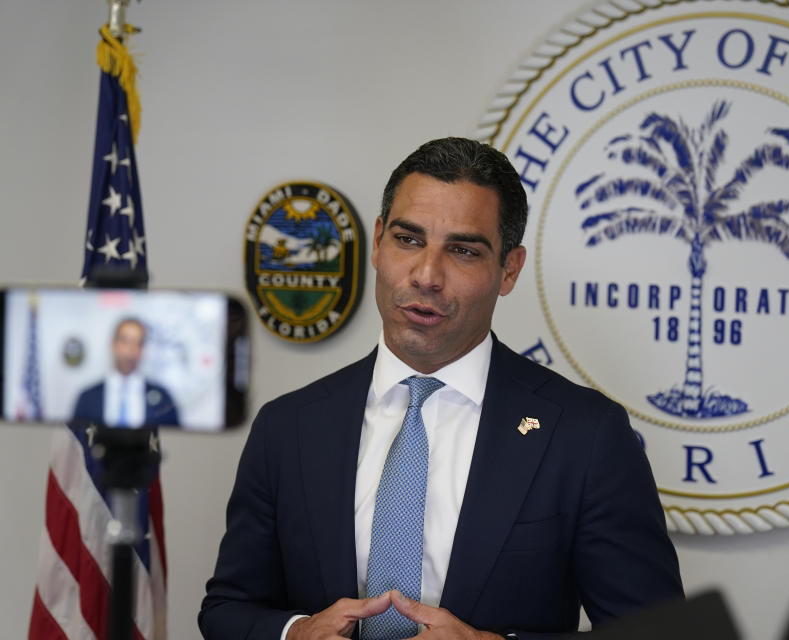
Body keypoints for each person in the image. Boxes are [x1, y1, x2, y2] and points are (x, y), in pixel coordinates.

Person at [199, 138, 683, 640]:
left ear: (509, 270)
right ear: (378, 242)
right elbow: (228, 610)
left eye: (463, 250)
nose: (427, 275)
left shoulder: (586, 435)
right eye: (408, 240)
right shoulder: (288, 427)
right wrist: (294, 633)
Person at [72, 316, 179, 427]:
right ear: (113, 344)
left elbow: (175, 440)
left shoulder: (163, 399)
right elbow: (76, 439)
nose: (131, 349)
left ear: (143, 349)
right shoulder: (88, 398)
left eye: (138, 343)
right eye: (125, 341)